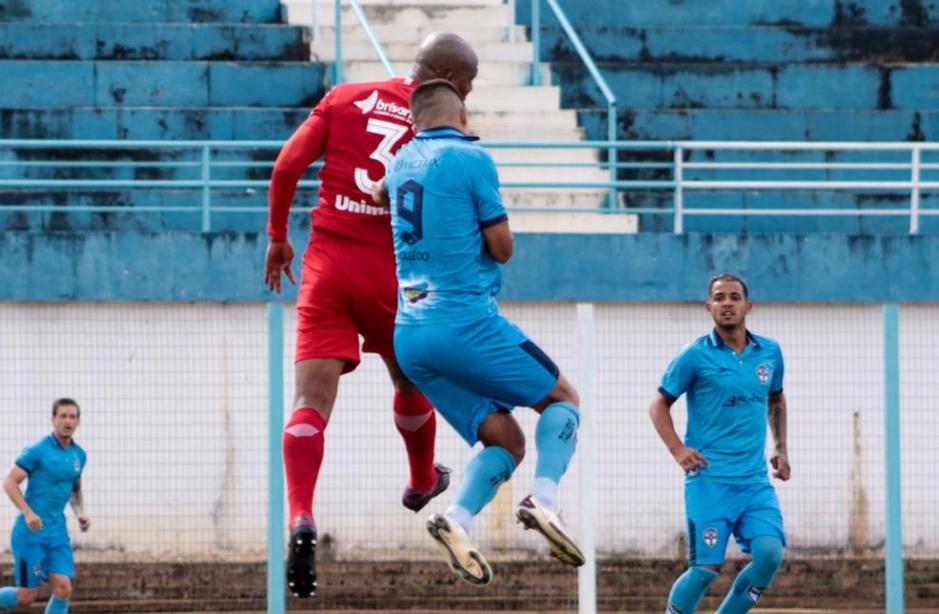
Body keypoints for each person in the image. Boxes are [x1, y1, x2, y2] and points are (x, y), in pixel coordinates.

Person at [263, 34, 479, 598]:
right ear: (452, 83)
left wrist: (277, 238)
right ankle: (418, 481)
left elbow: (286, 165)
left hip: (328, 264)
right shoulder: (441, 128)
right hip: (395, 273)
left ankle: (302, 516)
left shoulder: (344, 96)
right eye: (470, 88)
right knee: (409, 377)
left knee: (309, 403)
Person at [378, 79, 584, 586]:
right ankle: (546, 498)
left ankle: (457, 517)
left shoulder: (400, 161)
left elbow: (382, 192)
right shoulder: (472, 159)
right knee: (563, 399)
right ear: (462, 117)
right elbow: (503, 245)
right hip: (463, 321)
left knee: (506, 441)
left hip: (410, 334)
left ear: (414, 122)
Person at [649, 274, 790, 614]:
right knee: (704, 571)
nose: (727, 303)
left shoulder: (769, 353)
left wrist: (781, 447)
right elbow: (658, 405)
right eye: (720, 297)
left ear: (747, 306)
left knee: (770, 555)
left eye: (734, 297)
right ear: (709, 306)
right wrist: (678, 450)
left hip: (754, 481)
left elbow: (776, 400)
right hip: (709, 480)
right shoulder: (694, 355)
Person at [0, 399, 89, 614]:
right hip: (31, 534)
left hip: (57, 533)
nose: (67, 421)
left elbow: (74, 488)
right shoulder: (38, 450)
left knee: (63, 588)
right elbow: (10, 482)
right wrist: (28, 512)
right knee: (25, 597)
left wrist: (81, 513)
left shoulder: (79, 455)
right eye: (63, 416)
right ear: (53, 419)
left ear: (78, 422)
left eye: (72, 416)